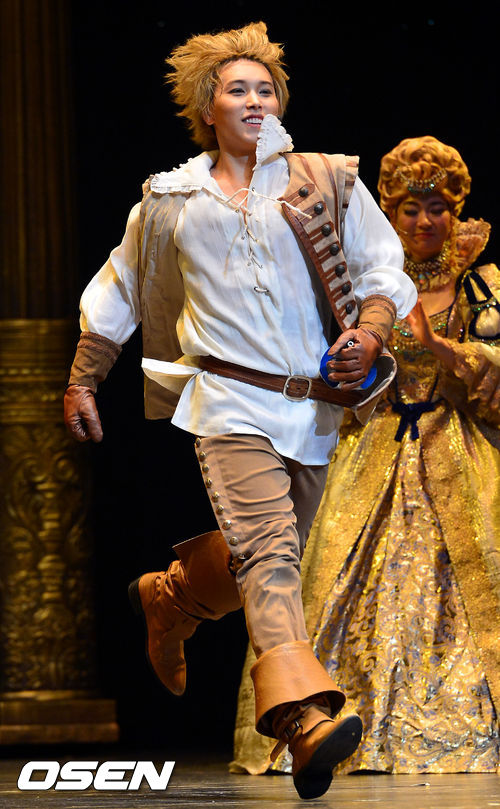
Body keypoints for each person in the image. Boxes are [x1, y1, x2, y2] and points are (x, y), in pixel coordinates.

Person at [63, 22, 416, 799]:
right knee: (271, 552)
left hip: (314, 407)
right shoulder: (171, 200)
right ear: (206, 107)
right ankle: (302, 718)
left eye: (266, 89)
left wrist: (369, 332)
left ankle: (173, 597)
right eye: (237, 90)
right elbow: (118, 290)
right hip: (227, 400)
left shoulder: (325, 178)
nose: (256, 101)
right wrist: (85, 378)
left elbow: (383, 267)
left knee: (269, 551)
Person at [231, 135, 500, 776]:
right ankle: (329, 726)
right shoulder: (365, 283)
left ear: (456, 210)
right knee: (334, 576)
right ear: (391, 212)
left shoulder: (481, 284)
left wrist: (441, 348)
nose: (425, 220)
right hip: (369, 451)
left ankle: (460, 731)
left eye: (437, 207)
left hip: (456, 450)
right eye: (411, 208)